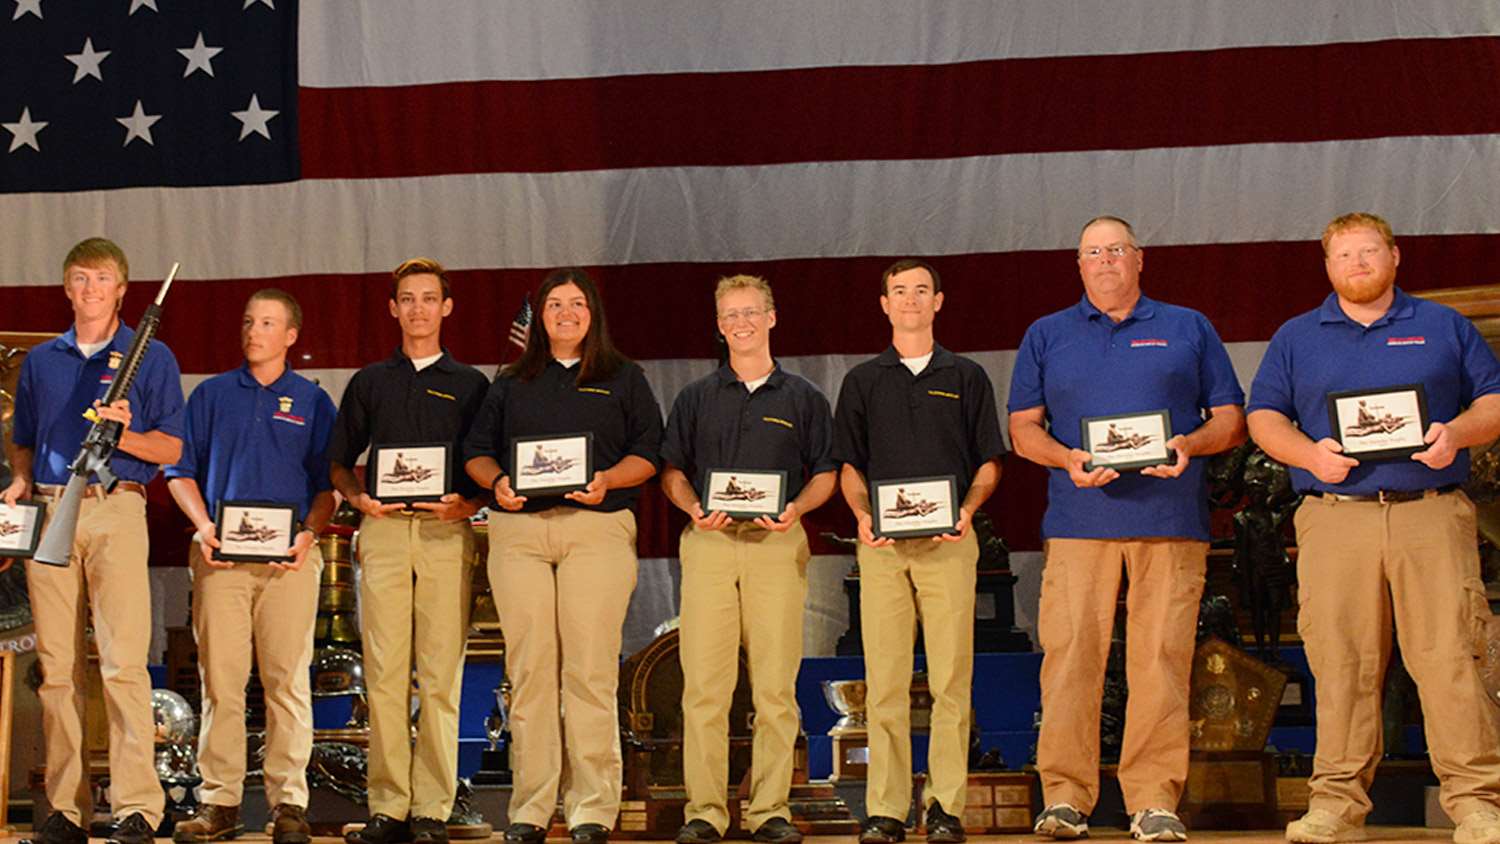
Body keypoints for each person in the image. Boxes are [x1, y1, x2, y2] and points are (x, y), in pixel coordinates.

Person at [1246, 212, 1500, 844]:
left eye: (1368, 252)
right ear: (1327, 266)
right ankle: (1335, 804)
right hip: (1336, 518)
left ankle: (1475, 802)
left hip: (1431, 512)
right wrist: (1309, 455)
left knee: (1450, 658)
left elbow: (1494, 400)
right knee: (1340, 662)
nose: (1357, 264)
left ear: (1394, 256)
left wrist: (1456, 435)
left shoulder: (1443, 326)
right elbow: (1263, 417)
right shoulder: (1297, 337)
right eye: (1343, 256)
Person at [1008, 216, 1247, 842]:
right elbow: (1023, 429)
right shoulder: (1046, 334)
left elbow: (1230, 420)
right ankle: (1064, 796)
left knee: (1161, 663)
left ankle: (1153, 799)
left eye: (1117, 250)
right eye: (1094, 252)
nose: (1106, 260)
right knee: (1069, 661)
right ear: (1079, 264)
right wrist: (1068, 459)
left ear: (1139, 260)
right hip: (1080, 521)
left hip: (1169, 522)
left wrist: (1189, 445)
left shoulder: (1187, 327)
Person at [464, 268, 663, 844]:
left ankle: (592, 809)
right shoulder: (509, 382)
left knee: (590, 672)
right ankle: (530, 808)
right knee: (529, 673)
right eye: (555, 304)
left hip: (596, 530)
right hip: (519, 535)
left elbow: (648, 451)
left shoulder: (623, 378)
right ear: (541, 315)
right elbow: (477, 452)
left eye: (577, 304)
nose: (566, 313)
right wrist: (498, 481)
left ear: (593, 313)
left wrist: (606, 480)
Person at [3, 237, 184, 844]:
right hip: (54, 508)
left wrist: (124, 434)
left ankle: (136, 808)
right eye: (79, 278)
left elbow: (171, 449)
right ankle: (65, 809)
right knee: (56, 670)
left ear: (122, 289)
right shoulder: (45, 360)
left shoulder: (149, 357)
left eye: (101, 279)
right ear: (66, 287)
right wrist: (22, 480)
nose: (89, 290)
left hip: (118, 509)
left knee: (124, 665)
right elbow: (22, 436)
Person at [832, 259, 1004, 844]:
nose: (910, 299)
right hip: (881, 548)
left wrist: (968, 509)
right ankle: (885, 809)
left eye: (921, 291)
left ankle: (945, 808)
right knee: (885, 681)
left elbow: (987, 461)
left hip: (950, 542)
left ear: (938, 302)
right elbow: (850, 465)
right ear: (884, 304)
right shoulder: (861, 381)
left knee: (953, 679)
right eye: (899, 291)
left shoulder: (967, 375)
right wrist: (860, 512)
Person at [660, 275, 837, 844]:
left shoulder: (803, 398)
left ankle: (769, 810)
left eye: (750, 312)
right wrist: (690, 506)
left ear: (771, 317)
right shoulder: (695, 398)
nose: (741, 322)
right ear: (719, 324)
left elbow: (826, 473)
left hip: (777, 544)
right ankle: (705, 812)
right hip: (709, 545)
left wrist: (796, 510)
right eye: (730, 314)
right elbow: (672, 471)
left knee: (774, 689)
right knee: (705, 689)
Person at [164, 289, 337, 844]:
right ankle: (220, 803)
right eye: (247, 321)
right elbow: (179, 470)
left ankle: (289, 803)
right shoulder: (212, 395)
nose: (253, 330)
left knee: (287, 682)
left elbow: (329, 485)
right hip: (221, 560)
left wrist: (310, 533)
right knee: (222, 683)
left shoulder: (312, 401)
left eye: (267, 323)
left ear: (291, 336)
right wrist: (203, 526)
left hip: (289, 563)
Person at [328, 258, 490, 844]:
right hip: (387, 533)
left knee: (442, 675)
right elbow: (341, 460)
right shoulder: (370, 381)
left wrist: (468, 505)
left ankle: (432, 808)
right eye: (407, 299)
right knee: (386, 674)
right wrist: (359, 501)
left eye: (429, 298)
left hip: (447, 533)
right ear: (393, 309)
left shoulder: (473, 384)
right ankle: (388, 806)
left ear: (447, 308)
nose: (418, 308)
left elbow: (486, 462)